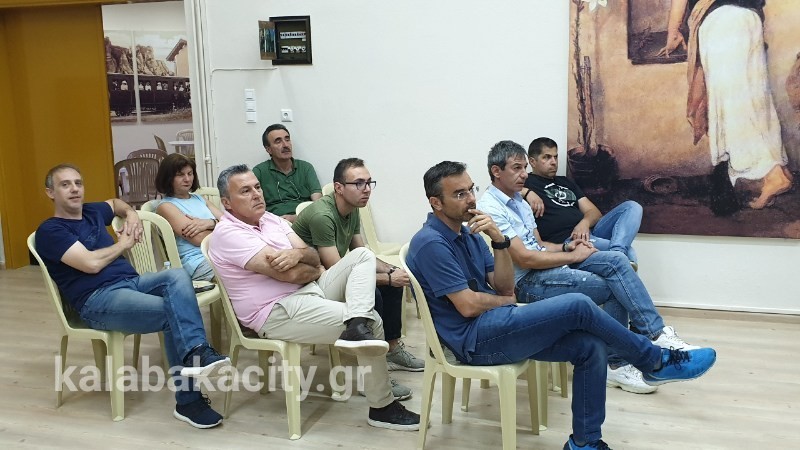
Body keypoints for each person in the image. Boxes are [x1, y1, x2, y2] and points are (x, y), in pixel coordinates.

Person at [407, 160, 716, 450]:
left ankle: (584, 443)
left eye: (471, 189)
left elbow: (504, 286)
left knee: (590, 347)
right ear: (436, 202)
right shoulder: (432, 243)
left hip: (496, 323)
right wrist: (504, 301)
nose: (471, 199)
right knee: (578, 305)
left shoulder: (471, 233)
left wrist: (499, 241)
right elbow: (468, 306)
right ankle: (654, 361)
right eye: (459, 194)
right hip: (472, 342)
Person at [477, 141, 704, 395]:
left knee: (617, 262)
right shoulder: (491, 207)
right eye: (517, 168)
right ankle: (620, 361)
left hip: (546, 266)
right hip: (527, 283)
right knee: (614, 284)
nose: (523, 174)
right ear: (496, 171)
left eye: (523, 168)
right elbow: (526, 259)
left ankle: (652, 336)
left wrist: (567, 247)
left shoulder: (519, 200)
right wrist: (572, 256)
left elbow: (540, 245)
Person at [208, 164, 420, 431]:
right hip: (275, 311)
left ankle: (356, 323)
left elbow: (311, 254)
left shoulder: (270, 219)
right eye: (245, 191)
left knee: (362, 256)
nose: (257, 194)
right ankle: (382, 407)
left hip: (308, 290)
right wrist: (306, 266)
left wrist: (297, 255)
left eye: (258, 187)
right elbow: (290, 275)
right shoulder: (229, 234)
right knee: (374, 320)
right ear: (227, 203)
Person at [35, 164, 230, 429]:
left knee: (177, 275)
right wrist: (123, 244)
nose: (74, 189)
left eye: (78, 183)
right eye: (65, 184)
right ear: (50, 192)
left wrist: (131, 214)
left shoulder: (92, 211)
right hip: (98, 298)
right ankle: (189, 401)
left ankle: (196, 349)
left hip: (131, 282)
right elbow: (90, 264)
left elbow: (115, 203)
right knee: (172, 311)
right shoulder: (51, 230)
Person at [292, 158, 424, 397]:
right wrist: (387, 279)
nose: (366, 189)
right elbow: (336, 269)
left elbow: (363, 254)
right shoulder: (323, 215)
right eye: (359, 183)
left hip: (332, 274)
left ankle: (392, 350)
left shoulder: (352, 209)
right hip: (310, 284)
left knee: (391, 283)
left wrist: (391, 272)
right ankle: (371, 377)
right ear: (339, 188)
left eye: (369, 183)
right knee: (374, 292)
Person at [658, 0, 792, 210]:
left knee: (734, 105)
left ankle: (773, 175)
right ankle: (779, 171)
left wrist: (673, 32)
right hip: (750, 19)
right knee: (755, 98)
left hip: (722, 23)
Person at [522, 137, 641, 267]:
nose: (553, 162)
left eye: (555, 157)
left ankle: (617, 254)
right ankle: (619, 255)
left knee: (632, 207)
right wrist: (527, 192)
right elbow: (504, 189)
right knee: (630, 252)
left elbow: (594, 212)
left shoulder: (565, 182)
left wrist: (584, 223)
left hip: (589, 231)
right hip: (569, 239)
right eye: (547, 157)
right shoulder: (526, 182)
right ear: (532, 161)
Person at [155, 153, 223, 281]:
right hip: (197, 262)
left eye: (190, 173)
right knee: (247, 271)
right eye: (180, 175)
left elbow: (230, 223)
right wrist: (224, 231)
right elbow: (198, 239)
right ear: (168, 178)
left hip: (221, 253)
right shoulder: (166, 206)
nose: (187, 179)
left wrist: (210, 223)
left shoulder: (200, 199)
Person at [252, 124, 322, 222]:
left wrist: (297, 218)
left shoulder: (305, 167)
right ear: (268, 149)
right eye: (278, 141)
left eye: (287, 139)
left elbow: (318, 203)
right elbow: (252, 204)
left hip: (306, 220)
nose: (285, 145)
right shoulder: (259, 171)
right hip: (274, 222)